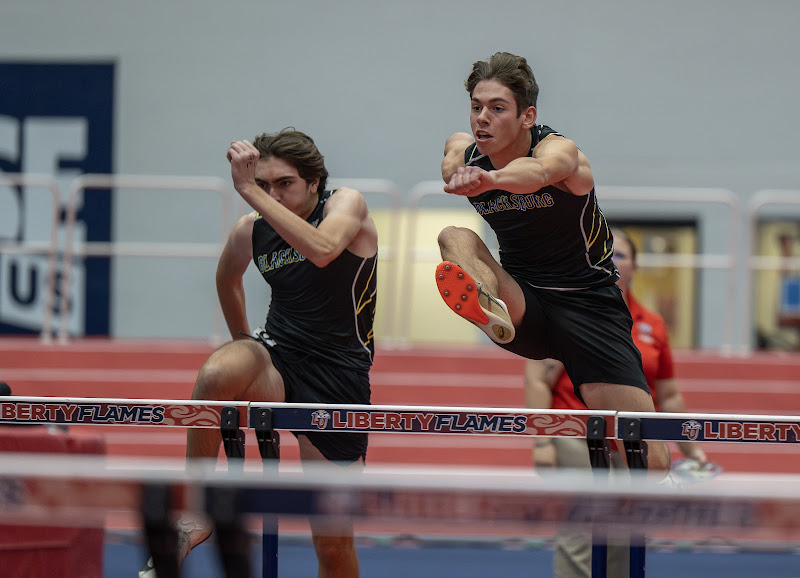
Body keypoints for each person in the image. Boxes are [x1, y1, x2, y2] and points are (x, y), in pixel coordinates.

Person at [140, 128, 378, 578]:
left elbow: (324, 250)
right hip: (277, 358)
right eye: (264, 184)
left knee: (332, 546)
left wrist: (247, 189)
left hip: (338, 379)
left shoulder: (346, 205)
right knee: (217, 374)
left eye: (284, 184)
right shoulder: (252, 230)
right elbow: (226, 279)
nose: (272, 195)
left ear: (314, 183)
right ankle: (197, 508)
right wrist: (246, 346)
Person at [434, 51, 670, 472]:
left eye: (497, 108)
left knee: (650, 463)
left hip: (590, 308)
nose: (481, 118)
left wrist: (491, 180)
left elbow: (541, 173)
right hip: (527, 303)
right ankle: (487, 310)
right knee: (453, 237)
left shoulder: (561, 151)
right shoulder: (466, 150)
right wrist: (457, 169)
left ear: (528, 117)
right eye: (476, 107)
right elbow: (452, 158)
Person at [525, 228, 713, 578]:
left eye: (621, 255)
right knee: (582, 530)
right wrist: (541, 442)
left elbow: (668, 396)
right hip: (578, 435)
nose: (612, 262)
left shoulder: (652, 325)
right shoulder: (569, 311)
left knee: (627, 532)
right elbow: (538, 379)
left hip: (633, 440)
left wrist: (693, 452)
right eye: (605, 255)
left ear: (636, 267)